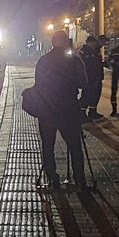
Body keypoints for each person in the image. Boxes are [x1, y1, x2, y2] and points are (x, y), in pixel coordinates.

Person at [35, 29, 89, 188]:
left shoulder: (43, 61)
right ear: (66, 42)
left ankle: (52, 178)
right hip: (69, 109)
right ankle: (79, 178)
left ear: (52, 43)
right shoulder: (75, 61)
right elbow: (84, 83)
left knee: (48, 145)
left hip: (47, 110)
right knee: (74, 145)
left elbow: (38, 85)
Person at [79, 35, 104, 120]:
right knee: (86, 95)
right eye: (92, 43)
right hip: (88, 77)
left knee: (95, 95)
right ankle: (82, 113)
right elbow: (86, 64)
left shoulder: (95, 50)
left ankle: (92, 112)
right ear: (89, 43)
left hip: (96, 76)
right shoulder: (84, 51)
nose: (94, 44)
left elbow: (97, 63)